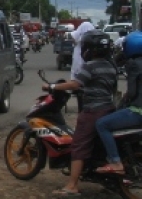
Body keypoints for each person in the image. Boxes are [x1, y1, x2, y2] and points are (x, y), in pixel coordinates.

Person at [43, 30, 117, 197]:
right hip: (109, 108)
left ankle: (72, 185)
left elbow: (75, 84)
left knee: (79, 145)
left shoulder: (89, 66)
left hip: (93, 111)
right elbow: (105, 86)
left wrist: (52, 87)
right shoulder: (111, 66)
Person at [94, 31, 142, 175]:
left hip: (138, 111)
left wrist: (125, 100)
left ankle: (115, 161)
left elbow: (132, 92)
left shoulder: (134, 64)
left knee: (101, 124)